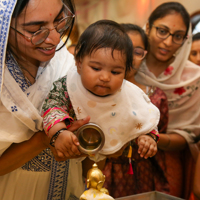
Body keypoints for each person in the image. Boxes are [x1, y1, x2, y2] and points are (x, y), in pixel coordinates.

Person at [0, 0, 95, 199]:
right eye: (36, 29)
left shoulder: (67, 65)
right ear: (4, 25)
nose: (54, 39)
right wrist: (44, 140)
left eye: (60, 21)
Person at [42, 19, 160, 164]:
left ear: (126, 71)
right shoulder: (68, 86)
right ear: (79, 63)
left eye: (116, 72)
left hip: (107, 164)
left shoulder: (127, 94)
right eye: (96, 68)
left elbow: (144, 117)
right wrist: (59, 132)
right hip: (66, 159)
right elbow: (52, 107)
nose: (105, 77)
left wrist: (147, 137)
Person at [134, 2, 200, 199]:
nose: (168, 42)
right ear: (148, 27)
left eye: (177, 36)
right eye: (162, 31)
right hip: (122, 161)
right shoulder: (127, 68)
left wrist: (149, 138)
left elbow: (191, 134)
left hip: (169, 162)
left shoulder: (194, 78)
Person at [102, 23, 170, 198]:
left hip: (146, 173)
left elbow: (159, 134)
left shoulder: (155, 97)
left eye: (138, 51)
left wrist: (150, 139)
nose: (130, 57)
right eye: (124, 48)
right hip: (106, 170)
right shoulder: (97, 93)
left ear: (145, 56)